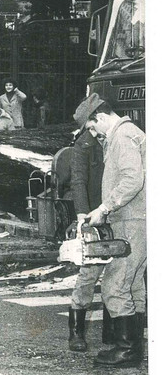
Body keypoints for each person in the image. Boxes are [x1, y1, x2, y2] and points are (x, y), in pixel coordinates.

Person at [74, 93, 146, 368]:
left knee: (115, 284)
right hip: (139, 218)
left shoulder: (122, 136)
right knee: (133, 284)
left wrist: (104, 208)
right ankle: (134, 348)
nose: (93, 133)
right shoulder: (131, 133)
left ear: (101, 118)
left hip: (131, 220)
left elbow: (131, 179)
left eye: (92, 127)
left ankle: (126, 351)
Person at [65, 124, 107, 353]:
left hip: (113, 210)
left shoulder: (111, 138)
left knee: (116, 272)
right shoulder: (83, 145)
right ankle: (76, 332)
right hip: (93, 213)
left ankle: (112, 330)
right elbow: (78, 180)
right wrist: (83, 214)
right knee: (89, 272)